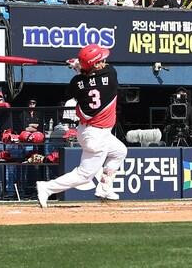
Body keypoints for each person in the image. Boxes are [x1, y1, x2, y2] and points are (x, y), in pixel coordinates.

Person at [36, 44, 126, 207]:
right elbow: (98, 76)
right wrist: (79, 67)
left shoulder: (76, 83)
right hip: (96, 136)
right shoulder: (111, 75)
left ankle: (105, 187)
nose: (104, 62)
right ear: (95, 64)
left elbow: (74, 90)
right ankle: (47, 187)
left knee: (119, 151)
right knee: (84, 175)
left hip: (92, 131)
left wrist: (79, 70)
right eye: (101, 60)